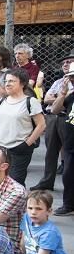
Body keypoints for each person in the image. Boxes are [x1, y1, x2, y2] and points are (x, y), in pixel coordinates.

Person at [0, 68, 46, 187]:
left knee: (15, 183)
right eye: (6, 81)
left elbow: (41, 125)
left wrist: (26, 144)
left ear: (22, 83)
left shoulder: (30, 102)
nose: (7, 84)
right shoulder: (3, 101)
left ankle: (18, 205)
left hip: (19, 149)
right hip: (0, 148)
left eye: (12, 81)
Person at [30, 51, 73, 191]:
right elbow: (47, 99)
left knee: (68, 152)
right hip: (53, 117)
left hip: (67, 119)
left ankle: (69, 186)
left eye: (69, 62)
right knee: (50, 152)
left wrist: (61, 98)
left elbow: (65, 101)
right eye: (63, 63)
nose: (65, 65)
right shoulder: (59, 82)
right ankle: (47, 181)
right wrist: (63, 97)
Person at [49, 65, 74, 215]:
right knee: (68, 175)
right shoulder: (71, 95)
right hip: (70, 144)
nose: (72, 79)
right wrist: (63, 94)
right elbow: (54, 110)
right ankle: (68, 204)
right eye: (71, 77)